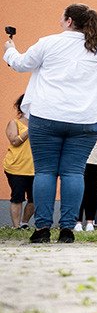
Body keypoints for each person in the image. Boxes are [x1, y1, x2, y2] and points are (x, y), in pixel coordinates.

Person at [3, 3, 97, 243]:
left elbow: (21, 64)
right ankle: (67, 229)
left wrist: (9, 50)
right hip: (85, 120)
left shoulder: (48, 42)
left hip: (47, 116)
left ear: (68, 21)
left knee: (45, 171)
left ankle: (42, 228)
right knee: (74, 172)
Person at [4, 95, 34, 229]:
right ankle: (16, 227)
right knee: (17, 197)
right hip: (16, 167)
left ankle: (24, 223)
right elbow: (14, 141)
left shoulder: (40, 124)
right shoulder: (14, 123)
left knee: (34, 199)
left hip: (35, 168)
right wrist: (29, 129)